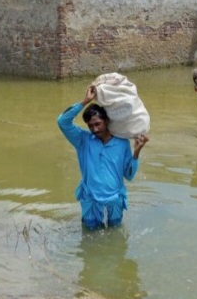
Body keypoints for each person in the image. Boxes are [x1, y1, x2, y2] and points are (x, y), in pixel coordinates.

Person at [58, 85, 148, 230]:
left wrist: (136, 152)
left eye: (98, 124)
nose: (95, 129)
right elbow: (62, 122)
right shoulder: (83, 140)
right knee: (90, 233)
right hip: (90, 197)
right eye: (91, 126)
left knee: (115, 231)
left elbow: (129, 175)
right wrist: (84, 101)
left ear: (106, 121)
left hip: (115, 198)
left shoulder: (121, 143)